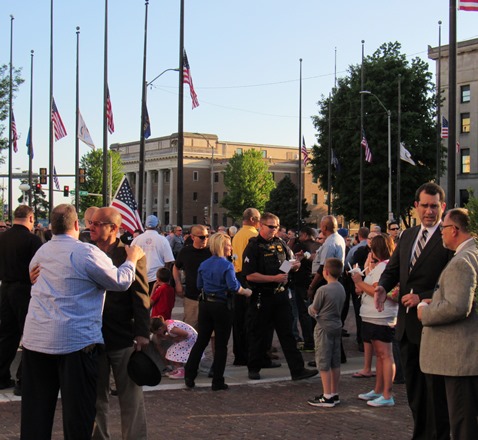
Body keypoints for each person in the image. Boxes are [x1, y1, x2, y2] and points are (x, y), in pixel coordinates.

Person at [20, 204, 144, 440]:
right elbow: (119, 281)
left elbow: (34, 276)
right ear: (77, 225)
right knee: (79, 414)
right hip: (75, 344)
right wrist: (132, 260)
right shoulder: (85, 252)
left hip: (36, 342)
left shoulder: (42, 252)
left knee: (35, 413)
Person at [375, 182, 453, 440]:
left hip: (433, 328)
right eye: (425, 206)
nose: (429, 211)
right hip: (407, 329)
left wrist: (423, 297)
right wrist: (383, 287)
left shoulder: (450, 238)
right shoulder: (407, 236)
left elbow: (453, 284)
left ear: (442, 207)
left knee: (436, 395)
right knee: (416, 393)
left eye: (434, 206)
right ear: (416, 206)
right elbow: (394, 269)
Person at [88, 207, 150, 440]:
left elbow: (141, 295)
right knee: (95, 398)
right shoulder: (86, 252)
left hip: (123, 336)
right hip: (92, 336)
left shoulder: (131, 255)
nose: (91, 226)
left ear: (113, 228)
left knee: (131, 397)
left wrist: (142, 333)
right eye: (90, 222)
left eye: (97, 223)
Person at [418, 208, 478, 439]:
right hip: (463, 356)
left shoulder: (462, 261)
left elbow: (457, 307)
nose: (440, 233)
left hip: (458, 359)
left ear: (454, 229)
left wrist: (426, 312)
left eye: (443, 228)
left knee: (463, 423)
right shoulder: (471, 253)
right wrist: (436, 299)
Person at [242, 212, 318, 381]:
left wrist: (295, 266)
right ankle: (254, 368)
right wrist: (273, 278)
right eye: (271, 226)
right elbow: (250, 275)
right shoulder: (254, 246)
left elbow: (289, 263)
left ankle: (297, 370)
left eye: (276, 226)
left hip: (281, 295)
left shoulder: (281, 244)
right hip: (262, 296)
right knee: (258, 333)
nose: (274, 230)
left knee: (288, 334)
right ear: (261, 226)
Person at [184, 233, 252, 390]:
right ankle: (217, 380)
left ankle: (189, 374)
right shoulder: (227, 265)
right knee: (221, 344)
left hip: (206, 304)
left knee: (201, 341)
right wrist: (247, 292)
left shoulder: (204, 264)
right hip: (221, 305)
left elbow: (199, 284)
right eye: (228, 244)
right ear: (222, 246)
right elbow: (234, 287)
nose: (231, 248)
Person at [0, 205, 43, 395]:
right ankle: (23, 379)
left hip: (5, 288)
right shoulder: (33, 240)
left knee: (6, 335)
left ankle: (1, 376)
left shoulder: (2, 238)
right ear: (31, 218)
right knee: (30, 335)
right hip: (25, 290)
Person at [352, 234, 398, 407]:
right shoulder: (381, 266)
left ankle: (387, 393)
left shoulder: (384, 267)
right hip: (373, 316)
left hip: (381, 316)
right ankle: (379, 390)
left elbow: (377, 291)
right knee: (380, 356)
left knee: (385, 355)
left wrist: (359, 281)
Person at [307, 258, 346, 408]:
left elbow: (314, 309)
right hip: (336, 325)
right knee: (335, 361)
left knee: (323, 361)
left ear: (326, 272)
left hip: (324, 326)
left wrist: (310, 309)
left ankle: (327, 395)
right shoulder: (341, 287)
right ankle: (334, 392)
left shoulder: (323, 290)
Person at [231, 207, 261, 365]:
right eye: (258, 219)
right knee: (251, 319)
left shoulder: (236, 236)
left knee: (238, 318)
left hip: (237, 277)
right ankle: (250, 354)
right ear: (252, 219)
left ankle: (239, 354)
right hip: (249, 278)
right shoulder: (254, 236)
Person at [173, 224, 212, 330]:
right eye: (202, 237)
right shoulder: (186, 251)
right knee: (190, 330)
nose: (205, 239)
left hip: (209, 297)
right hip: (191, 296)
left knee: (212, 332)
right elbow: (176, 267)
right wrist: (178, 284)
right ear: (193, 237)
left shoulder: (211, 251)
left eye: (207, 236)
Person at [132, 214, 175, 294]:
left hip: (140, 277)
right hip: (157, 278)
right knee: (156, 304)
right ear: (157, 225)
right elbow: (168, 261)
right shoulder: (163, 240)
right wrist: (164, 278)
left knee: (141, 304)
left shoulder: (137, 239)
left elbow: (130, 258)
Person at [150, 316, 197, 380]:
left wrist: (175, 339)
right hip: (188, 338)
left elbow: (186, 334)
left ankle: (181, 371)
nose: (158, 335)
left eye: (156, 333)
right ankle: (177, 369)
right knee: (171, 351)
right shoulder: (167, 323)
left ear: (160, 329)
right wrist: (168, 337)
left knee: (174, 352)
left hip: (191, 338)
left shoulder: (172, 329)